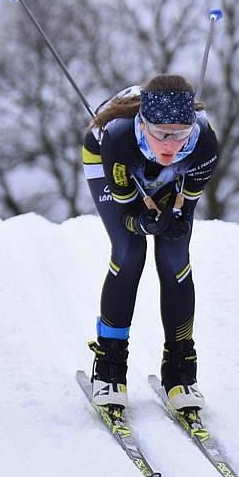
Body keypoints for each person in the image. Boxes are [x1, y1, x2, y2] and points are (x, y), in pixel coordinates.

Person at [81, 75, 220, 413]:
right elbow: (127, 209)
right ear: (143, 124)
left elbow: (184, 207)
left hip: (171, 176)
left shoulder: (204, 146)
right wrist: (141, 220)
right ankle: (110, 366)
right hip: (110, 162)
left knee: (175, 257)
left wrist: (174, 216)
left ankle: (181, 369)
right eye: (161, 134)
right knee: (130, 251)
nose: (170, 145)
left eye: (180, 134)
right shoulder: (118, 138)